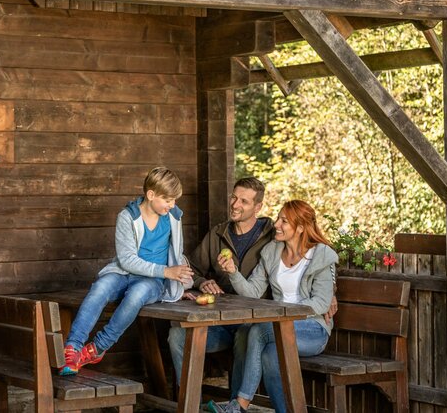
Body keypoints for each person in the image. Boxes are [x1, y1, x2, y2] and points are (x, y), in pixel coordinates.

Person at [58, 167, 193, 375]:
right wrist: (167, 271)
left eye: (174, 200)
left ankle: (98, 347)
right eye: (168, 199)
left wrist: (178, 283)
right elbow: (127, 260)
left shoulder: (173, 217)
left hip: (152, 281)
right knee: (101, 286)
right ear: (151, 195)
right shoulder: (127, 217)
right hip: (124, 272)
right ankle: (73, 347)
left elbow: (176, 252)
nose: (172, 205)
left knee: (136, 294)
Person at [207, 200, 338, 413]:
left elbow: (322, 302)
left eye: (284, 221)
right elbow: (252, 292)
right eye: (278, 218)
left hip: (313, 330)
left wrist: (284, 314)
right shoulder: (272, 252)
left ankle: (240, 404)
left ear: (301, 227)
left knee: (258, 329)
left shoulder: (321, 256)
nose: (276, 224)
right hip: (278, 330)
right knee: (269, 354)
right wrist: (233, 271)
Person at [167, 177, 275, 388]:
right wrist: (201, 282)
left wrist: (332, 289)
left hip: (255, 322)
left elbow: (310, 248)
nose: (235, 205)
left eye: (244, 201)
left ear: (258, 207)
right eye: (234, 197)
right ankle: (190, 406)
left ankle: (236, 407)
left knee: (246, 335)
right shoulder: (217, 234)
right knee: (177, 336)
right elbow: (193, 268)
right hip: (220, 324)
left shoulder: (272, 236)